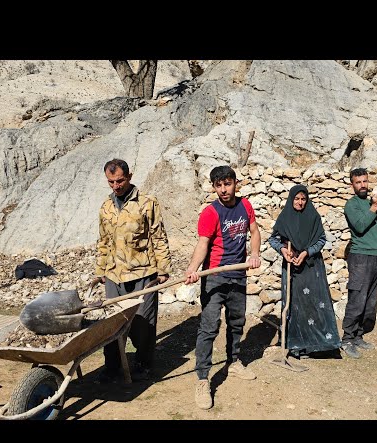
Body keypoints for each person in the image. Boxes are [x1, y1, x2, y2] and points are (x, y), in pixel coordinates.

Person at [184, 165, 261, 410]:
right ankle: (203, 379)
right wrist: (193, 269)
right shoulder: (210, 212)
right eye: (219, 185)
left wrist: (255, 254)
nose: (224, 189)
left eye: (227, 184)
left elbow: (255, 230)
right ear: (214, 187)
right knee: (209, 326)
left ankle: (234, 361)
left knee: (237, 322)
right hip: (215, 277)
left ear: (235, 183)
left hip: (238, 274)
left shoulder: (245, 206)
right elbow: (203, 244)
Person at [94, 158, 172, 383]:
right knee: (112, 323)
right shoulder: (106, 207)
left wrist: (163, 269)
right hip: (113, 275)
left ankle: (143, 364)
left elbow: (158, 237)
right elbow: (103, 241)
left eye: (119, 180)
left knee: (142, 323)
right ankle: (112, 367)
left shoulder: (147, 203)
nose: (116, 186)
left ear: (129, 177)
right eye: (111, 182)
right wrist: (100, 270)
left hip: (143, 273)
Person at [268, 184, 341, 359]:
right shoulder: (284, 217)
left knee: (315, 303)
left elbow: (321, 239)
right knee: (294, 304)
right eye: (297, 199)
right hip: (291, 266)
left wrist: (307, 252)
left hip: (311, 266)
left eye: (303, 199)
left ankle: (318, 345)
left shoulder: (313, 216)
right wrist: (283, 250)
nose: (300, 202)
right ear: (291, 199)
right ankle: (295, 345)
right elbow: (273, 238)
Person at [341, 168, 377, 359]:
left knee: (370, 302)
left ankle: (358, 335)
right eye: (358, 182)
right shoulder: (351, 205)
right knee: (357, 299)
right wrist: (375, 207)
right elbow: (360, 227)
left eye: (365, 181)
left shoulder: (374, 203)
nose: (363, 185)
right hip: (360, 256)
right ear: (352, 184)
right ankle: (346, 339)